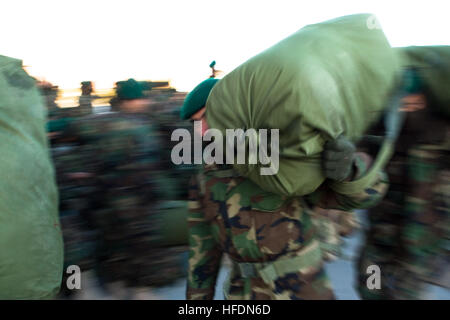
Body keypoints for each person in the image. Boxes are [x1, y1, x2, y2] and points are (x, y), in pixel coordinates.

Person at [181, 78, 389, 300]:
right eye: (196, 123)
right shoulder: (205, 174)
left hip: (302, 289)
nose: (202, 132)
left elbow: (367, 195)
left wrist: (349, 171)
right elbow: (201, 250)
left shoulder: (284, 153)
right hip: (242, 293)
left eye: (206, 117)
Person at [357, 68, 450, 299]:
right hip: (379, 242)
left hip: (419, 251)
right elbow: (361, 157)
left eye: (416, 99)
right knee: (370, 290)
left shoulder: (441, 135)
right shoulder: (379, 134)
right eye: (404, 100)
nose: (410, 105)